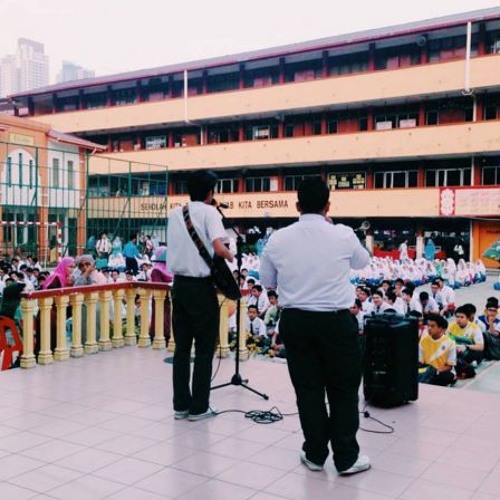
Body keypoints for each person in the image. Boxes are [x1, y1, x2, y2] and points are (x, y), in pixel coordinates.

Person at [260, 177, 371, 476]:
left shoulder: (278, 239)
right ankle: (346, 458)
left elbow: (268, 282)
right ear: (328, 206)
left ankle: (315, 453)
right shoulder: (343, 234)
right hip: (336, 321)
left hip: (296, 322)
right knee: (344, 389)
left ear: (297, 206)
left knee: (308, 389)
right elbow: (363, 262)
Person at [167, 169, 234, 422]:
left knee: (182, 348)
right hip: (201, 287)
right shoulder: (210, 213)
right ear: (210, 192)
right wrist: (230, 254)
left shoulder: (175, 213)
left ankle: (180, 406)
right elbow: (219, 247)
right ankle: (199, 407)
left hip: (179, 286)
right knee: (205, 348)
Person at [418, 315, 456, 386]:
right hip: (426, 370)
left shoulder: (450, 342)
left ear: (441, 329)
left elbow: (449, 366)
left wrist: (435, 371)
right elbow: (420, 362)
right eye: (428, 325)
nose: (429, 328)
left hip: (440, 372)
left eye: (432, 326)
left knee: (447, 376)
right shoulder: (423, 341)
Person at [149, 245, 173, 342]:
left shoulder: (168, 268)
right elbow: (158, 286)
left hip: (169, 298)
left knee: (168, 317)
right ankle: (160, 334)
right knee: (160, 317)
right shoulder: (156, 270)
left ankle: (167, 334)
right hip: (160, 299)